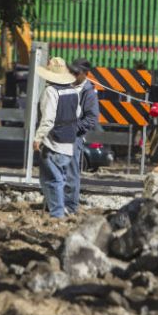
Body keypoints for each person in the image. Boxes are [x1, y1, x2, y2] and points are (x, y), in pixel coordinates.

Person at [33, 57, 78, 218]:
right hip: (68, 143)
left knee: (52, 181)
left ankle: (57, 214)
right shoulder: (73, 91)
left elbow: (48, 119)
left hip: (53, 143)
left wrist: (38, 137)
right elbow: (77, 114)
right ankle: (62, 210)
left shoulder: (50, 92)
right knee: (61, 179)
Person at [64, 58, 99, 214]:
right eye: (71, 71)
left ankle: (70, 206)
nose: (72, 74)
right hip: (58, 134)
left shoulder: (88, 93)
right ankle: (56, 202)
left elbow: (91, 119)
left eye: (76, 72)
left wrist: (73, 128)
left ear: (86, 74)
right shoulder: (66, 86)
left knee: (71, 171)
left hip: (73, 137)